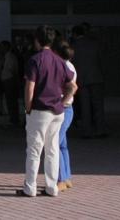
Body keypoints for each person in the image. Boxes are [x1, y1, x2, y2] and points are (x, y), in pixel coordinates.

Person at [17, 26, 75, 198]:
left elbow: (30, 86)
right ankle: (52, 187)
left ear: (37, 40)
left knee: (34, 150)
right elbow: (72, 86)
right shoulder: (59, 61)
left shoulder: (35, 60)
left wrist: (27, 108)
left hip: (40, 110)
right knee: (52, 149)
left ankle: (30, 187)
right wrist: (62, 102)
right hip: (57, 111)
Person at [72, 26, 107, 139]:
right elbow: (101, 59)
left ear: (75, 34)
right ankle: (100, 130)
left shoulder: (74, 46)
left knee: (85, 105)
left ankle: (86, 131)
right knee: (98, 105)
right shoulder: (95, 44)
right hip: (96, 77)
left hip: (81, 79)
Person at [56, 40, 78, 192]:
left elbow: (72, 87)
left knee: (54, 144)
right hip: (68, 107)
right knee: (62, 145)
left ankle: (61, 178)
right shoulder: (71, 66)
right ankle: (67, 176)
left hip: (63, 107)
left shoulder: (63, 66)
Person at [0, 40, 21, 127]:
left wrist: (14, 81)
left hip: (10, 80)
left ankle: (14, 119)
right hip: (6, 80)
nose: (1, 49)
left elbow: (13, 70)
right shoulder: (4, 57)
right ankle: (13, 118)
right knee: (9, 100)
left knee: (11, 100)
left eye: (2, 47)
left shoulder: (10, 57)